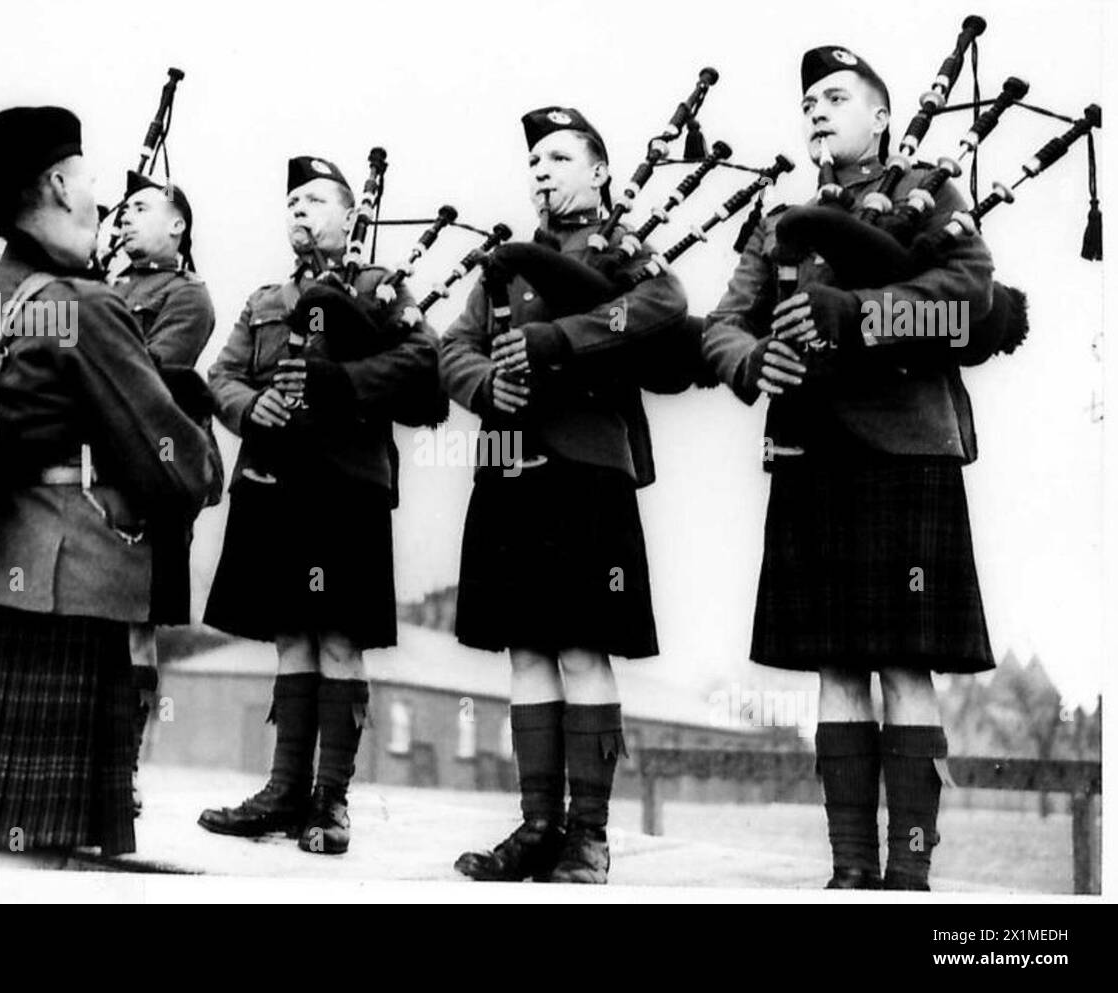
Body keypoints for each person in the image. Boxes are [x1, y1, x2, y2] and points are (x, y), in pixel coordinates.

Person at [0, 106, 216, 864]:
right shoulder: (86, 307)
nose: (102, 198)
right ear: (62, 186)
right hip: (63, 603)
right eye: (90, 178)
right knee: (35, 862)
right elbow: (173, 465)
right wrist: (199, 432)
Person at [703, 47, 997, 890]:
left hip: (906, 452)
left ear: (881, 116)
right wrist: (753, 360)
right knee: (835, 663)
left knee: (904, 661)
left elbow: (967, 297)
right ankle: (851, 870)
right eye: (809, 104)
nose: (818, 113)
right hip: (812, 453)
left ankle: (909, 871)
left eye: (836, 97)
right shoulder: (783, 222)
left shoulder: (931, 195)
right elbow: (722, 324)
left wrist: (854, 312)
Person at [440, 107, 692, 884]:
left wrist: (562, 339)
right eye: (535, 163)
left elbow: (666, 303)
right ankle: (537, 826)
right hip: (510, 468)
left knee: (582, 649)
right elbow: (453, 347)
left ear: (600, 172)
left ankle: (589, 836)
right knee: (526, 650)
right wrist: (487, 384)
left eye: (558, 157)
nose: (541, 172)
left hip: (588, 468)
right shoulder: (504, 266)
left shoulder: (623, 252)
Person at [198, 156, 440, 855]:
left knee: (339, 637)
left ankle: (331, 800)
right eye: (292, 202)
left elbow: (423, 360)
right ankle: (283, 792)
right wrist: (251, 406)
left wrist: (341, 381)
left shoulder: (381, 289)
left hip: (347, 486)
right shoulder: (265, 299)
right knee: (291, 636)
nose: (299, 210)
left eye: (314, 200)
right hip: (274, 482)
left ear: (350, 215)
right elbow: (222, 374)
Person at [110, 173, 219, 815]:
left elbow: (144, 375)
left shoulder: (188, 295)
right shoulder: (103, 285)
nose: (124, 218)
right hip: (94, 469)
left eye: (141, 208)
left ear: (177, 225)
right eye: (122, 210)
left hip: (154, 474)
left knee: (135, 622)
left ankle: (121, 770)